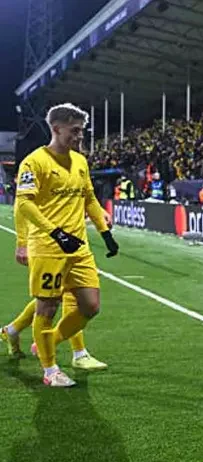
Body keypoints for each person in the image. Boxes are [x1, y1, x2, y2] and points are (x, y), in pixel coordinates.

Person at [13, 103, 119, 387]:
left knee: (90, 306)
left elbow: (90, 199)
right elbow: (24, 203)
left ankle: (46, 343)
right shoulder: (34, 162)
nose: (79, 136)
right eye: (75, 131)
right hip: (48, 247)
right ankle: (50, 371)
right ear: (57, 128)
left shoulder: (80, 161)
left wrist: (105, 233)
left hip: (79, 247)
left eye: (81, 131)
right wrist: (54, 233)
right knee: (47, 308)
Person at [2, 204, 113, 367]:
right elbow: (22, 203)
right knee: (56, 297)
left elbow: (85, 195)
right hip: (47, 243)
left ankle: (12, 330)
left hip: (72, 238)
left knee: (60, 295)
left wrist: (99, 213)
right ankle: (75, 353)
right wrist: (22, 242)